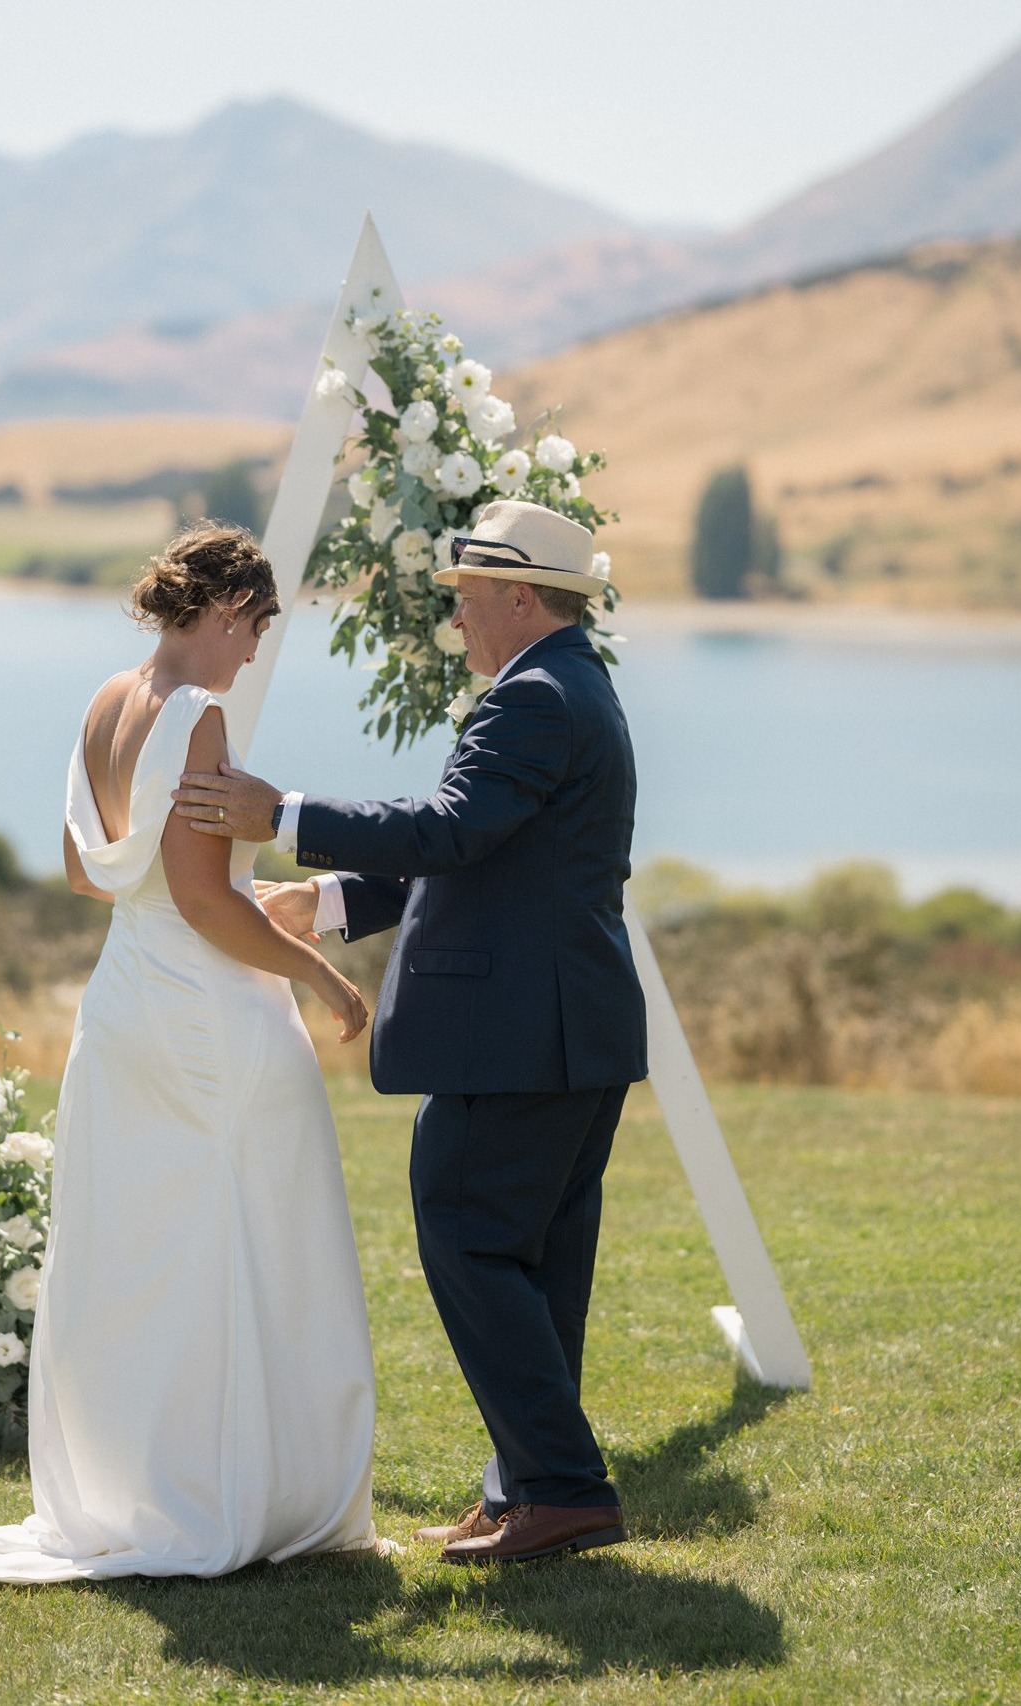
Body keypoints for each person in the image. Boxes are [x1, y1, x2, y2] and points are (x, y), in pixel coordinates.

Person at [173, 499, 648, 1564]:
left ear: (519, 594)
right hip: (566, 1033)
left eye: (469, 598)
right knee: (534, 1262)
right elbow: (476, 848)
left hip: (523, 1038)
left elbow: (450, 828)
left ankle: (565, 1487)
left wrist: (280, 814)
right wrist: (328, 903)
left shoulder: (534, 697)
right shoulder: (566, 686)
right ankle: (528, 1484)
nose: (460, 619)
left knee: (469, 1235)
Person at [0, 522, 382, 1582]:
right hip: (209, 1020)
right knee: (255, 1229)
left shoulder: (105, 703)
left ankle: (147, 1473)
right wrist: (318, 972)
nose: (254, 653)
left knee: (141, 1242)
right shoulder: (199, 717)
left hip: (125, 999)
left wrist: (215, 898)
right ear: (227, 611)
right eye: (258, 629)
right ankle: (237, 1486)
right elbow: (205, 900)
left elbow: (96, 875)